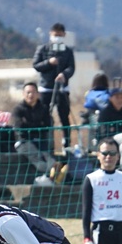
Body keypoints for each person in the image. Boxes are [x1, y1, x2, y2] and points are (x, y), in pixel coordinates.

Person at [32, 22, 76, 150]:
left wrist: (64, 75)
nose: (57, 37)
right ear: (50, 34)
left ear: (64, 35)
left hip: (62, 89)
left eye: (60, 35)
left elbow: (71, 68)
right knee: (45, 116)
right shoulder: (43, 49)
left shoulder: (67, 51)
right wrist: (49, 62)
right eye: (55, 35)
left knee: (64, 116)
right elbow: (36, 65)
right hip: (46, 88)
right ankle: (45, 142)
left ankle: (66, 143)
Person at [11, 82, 56, 177]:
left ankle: (56, 173)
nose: (30, 95)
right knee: (37, 158)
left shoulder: (43, 108)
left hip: (40, 140)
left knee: (49, 158)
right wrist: (38, 125)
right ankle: (51, 175)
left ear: (38, 94)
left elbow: (48, 124)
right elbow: (19, 127)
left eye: (33, 92)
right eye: (28, 92)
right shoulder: (18, 109)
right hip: (23, 142)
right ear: (23, 94)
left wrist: (28, 124)